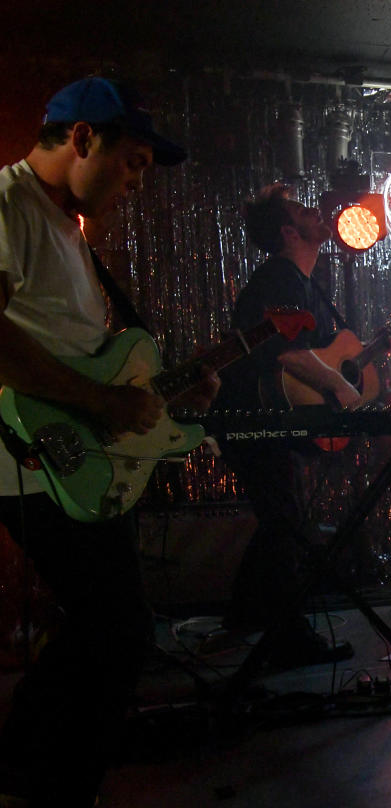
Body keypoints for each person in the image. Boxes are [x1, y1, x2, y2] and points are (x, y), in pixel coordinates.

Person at [0, 77, 216, 806]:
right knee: (120, 631)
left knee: (110, 631)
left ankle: (30, 777)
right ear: (84, 137)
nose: (136, 182)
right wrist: (100, 401)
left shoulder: (70, 235)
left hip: (75, 461)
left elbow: (90, 364)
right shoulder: (10, 203)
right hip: (31, 461)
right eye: (133, 163)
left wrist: (161, 395)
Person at [210, 183, 364, 667]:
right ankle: (286, 635)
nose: (317, 210)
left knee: (284, 520)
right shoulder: (280, 277)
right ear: (288, 230)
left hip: (269, 419)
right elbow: (289, 352)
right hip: (253, 418)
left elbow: (313, 354)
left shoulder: (302, 282)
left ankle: (247, 619)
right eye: (302, 209)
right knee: (286, 521)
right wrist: (342, 388)